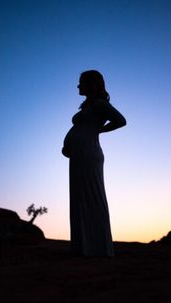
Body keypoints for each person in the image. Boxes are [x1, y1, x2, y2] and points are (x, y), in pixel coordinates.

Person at [62, 70, 126, 257]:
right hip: (80, 154)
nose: (78, 86)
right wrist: (71, 145)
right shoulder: (89, 106)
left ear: (92, 84)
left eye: (81, 82)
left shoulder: (99, 104)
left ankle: (97, 248)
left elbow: (121, 121)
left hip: (88, 153)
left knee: (91, 197)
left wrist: (96, 132)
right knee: (80, 197)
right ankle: (84, 247)